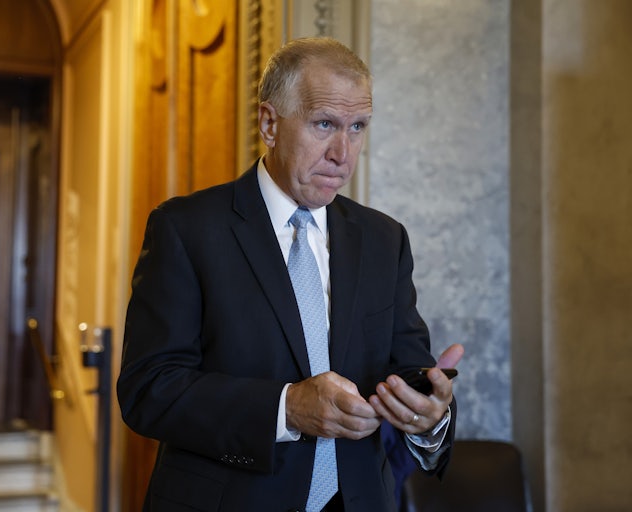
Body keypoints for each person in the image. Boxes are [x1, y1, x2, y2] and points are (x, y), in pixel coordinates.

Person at [117, 37, 463, 512]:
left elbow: (405, 374)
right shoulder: (186, 229)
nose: (343, 153)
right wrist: (286, 408)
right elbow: (148, 389)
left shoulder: (385, 240)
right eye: (325, 124)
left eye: (357, 127)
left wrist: (430, 415)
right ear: (269, 124)